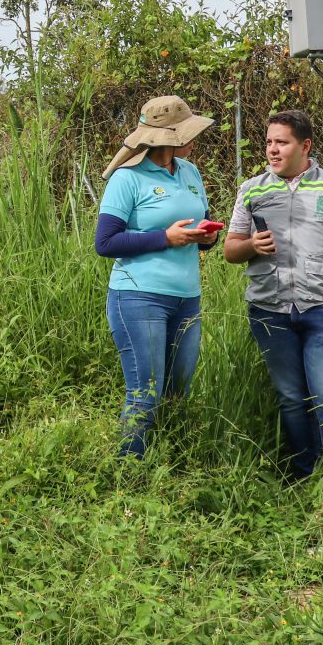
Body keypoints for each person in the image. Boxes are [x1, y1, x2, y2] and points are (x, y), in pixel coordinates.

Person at [222, 109, 323, 497]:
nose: (272, 149)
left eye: (281, 142)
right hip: (270, 310)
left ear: (305, 146)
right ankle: (306, 480)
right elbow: (230, 250)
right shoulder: (252, 189)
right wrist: (251, 245)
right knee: (290, 399)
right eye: (268, 142)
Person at [94, 95, 218, 457]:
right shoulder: (127, 178)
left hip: (186, 298)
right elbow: (106, 242)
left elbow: (199, 229)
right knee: (145, 395)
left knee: (179, 393)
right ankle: (126, 473)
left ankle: (172, 466)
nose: (194, 137)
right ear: (169, 137)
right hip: (138, 297)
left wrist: (207, 238)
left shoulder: (189, 172)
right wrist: (165, 238)